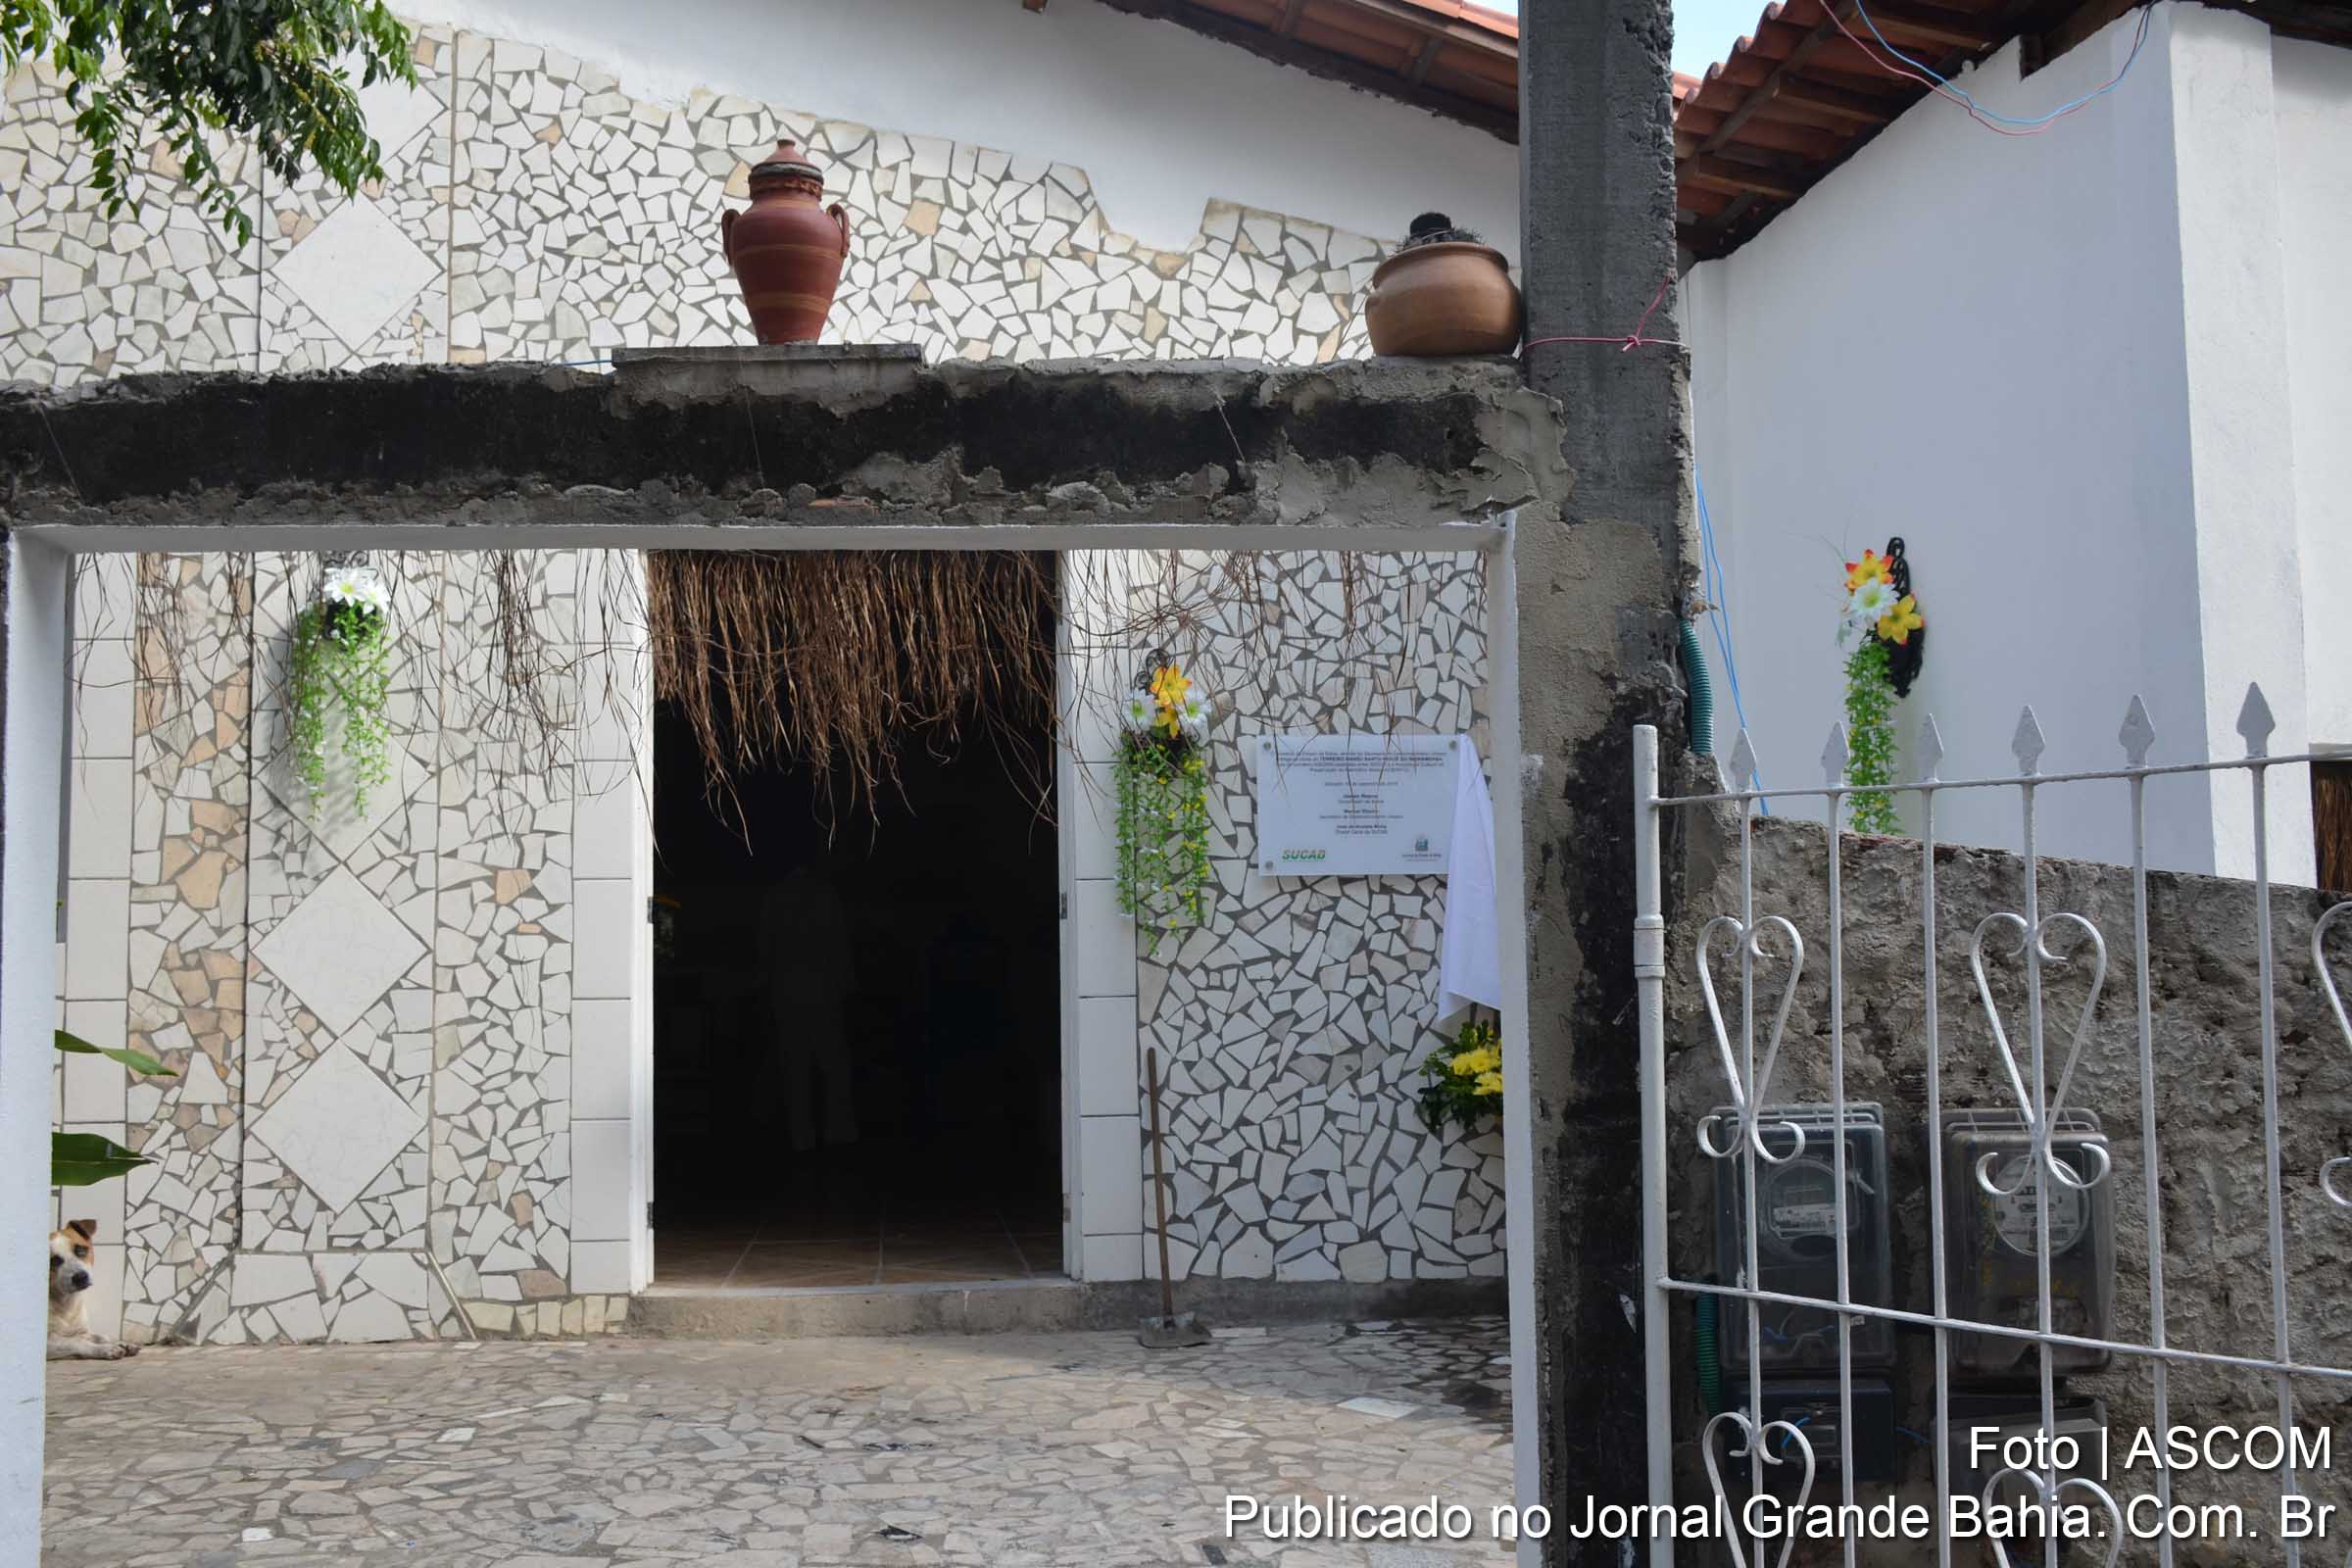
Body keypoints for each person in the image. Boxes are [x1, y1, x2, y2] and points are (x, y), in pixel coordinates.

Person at [760, 865, 859, 1153]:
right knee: (833, 1067)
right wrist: (846, 986)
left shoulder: (777, 897)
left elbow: (766, 948)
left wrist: (766, 986)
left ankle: (803, 1138)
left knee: (797, 1069)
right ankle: (837, 1133)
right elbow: (840, 944)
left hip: (791, 994)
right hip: (823, 994)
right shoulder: (824, 897)